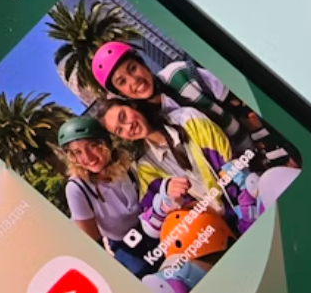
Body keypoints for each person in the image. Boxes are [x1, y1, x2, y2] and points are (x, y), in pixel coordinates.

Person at [91, 40, 298, 172]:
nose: (133, 80)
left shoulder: (180, 74)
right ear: (121, 93)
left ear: (143, 63)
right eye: (122, 82)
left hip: (261, 148)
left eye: (132, 68)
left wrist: (278, 151)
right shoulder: (147, 122)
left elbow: (244, 107)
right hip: (235, 175)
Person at [91, 96, 264, 234]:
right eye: (119, 130)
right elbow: (151, 225)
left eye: (123, 116)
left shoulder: (188, 119)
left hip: (252, 208)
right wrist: (164, 197)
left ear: (132, 105)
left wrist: (247, 217)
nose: (128, 127)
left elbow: (235, 168)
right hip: (213, 233)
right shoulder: (145, 166)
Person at [57, 116, 159, 276]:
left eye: (92, 146)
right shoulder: (77, 188)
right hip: (122, 243)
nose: (87, 157)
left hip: (149, 225)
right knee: (143, 274)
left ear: (105, 143)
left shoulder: (128, 166)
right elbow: (92, 240)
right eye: (77, 152)